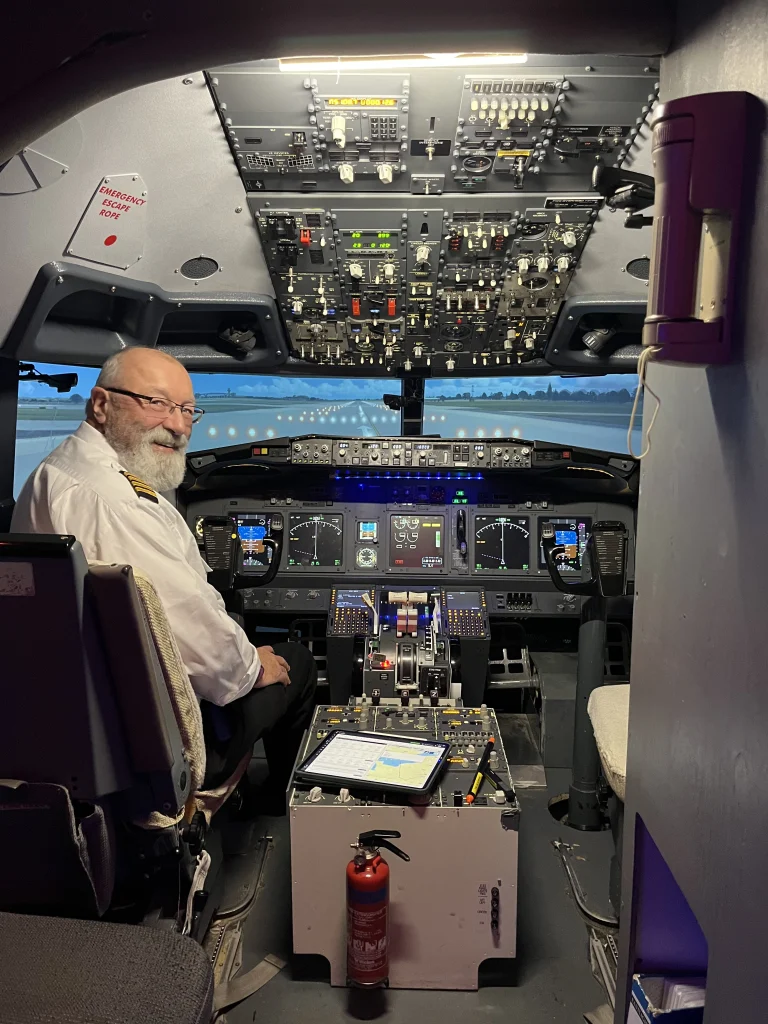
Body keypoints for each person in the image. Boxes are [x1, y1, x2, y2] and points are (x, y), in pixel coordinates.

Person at [12, 347, 317, 797]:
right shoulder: (114, 502)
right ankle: (275, 803)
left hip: (73, 720)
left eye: (187, 410)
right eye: (155, 403)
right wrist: (255, 667)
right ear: (101, 404)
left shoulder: (53, 471)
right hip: (158, 739)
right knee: (299, 663)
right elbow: (195, 633)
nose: (177, 425)